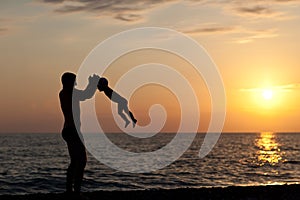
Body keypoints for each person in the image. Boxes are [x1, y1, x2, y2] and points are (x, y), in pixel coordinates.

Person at [59, 72, 99, 196]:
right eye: (74, 81)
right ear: (69, 82)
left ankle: (71, 191)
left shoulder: (65, 93)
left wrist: (92, 84)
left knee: (76, 161)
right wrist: (93, 83)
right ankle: (75, 191)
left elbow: (86, 94)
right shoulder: (69, 93)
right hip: (72, 131)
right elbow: (87, 95)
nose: (75, 83)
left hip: (69, 130)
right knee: (81, 161)